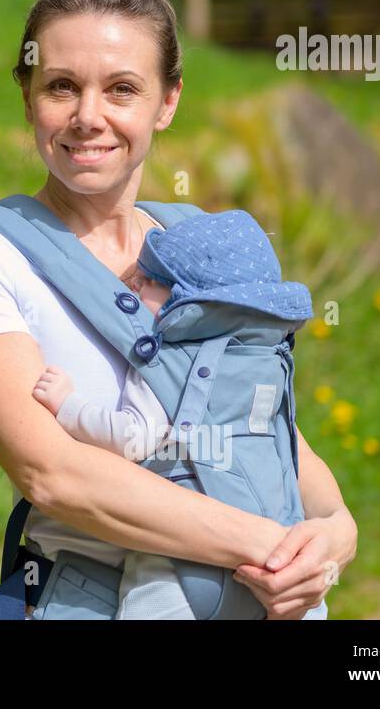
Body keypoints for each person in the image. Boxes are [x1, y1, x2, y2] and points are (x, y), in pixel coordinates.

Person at [0, 0, 357, 619]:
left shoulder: (205, 240)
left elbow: (264, 428)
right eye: (61, 86)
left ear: (167, 102)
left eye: (121, 89)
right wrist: (271, 549)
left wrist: (334, 533)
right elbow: (55, 475)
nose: (87, 116)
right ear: (27, 96)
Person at [31, 207, 318, 618]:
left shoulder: (168, 363)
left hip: (181, 562)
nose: (133, 282)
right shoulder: (265, 359)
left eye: (148, 281)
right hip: (280, 545)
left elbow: (133, 437)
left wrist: (67, 405)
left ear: (188, 302)